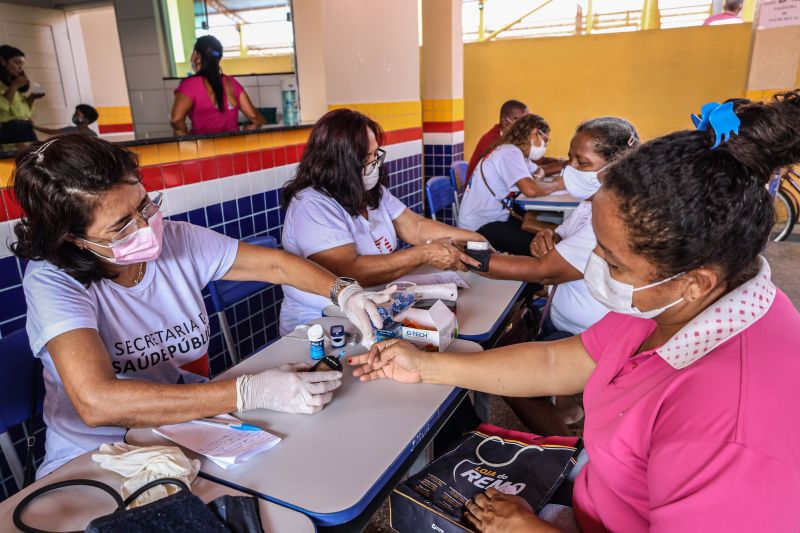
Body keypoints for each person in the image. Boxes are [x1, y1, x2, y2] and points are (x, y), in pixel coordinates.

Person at [350, 92, 800, 531]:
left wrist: (524, 528)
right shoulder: (674, 305)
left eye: (614, 262)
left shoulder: (734, 430)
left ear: (694, 281)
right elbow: (557, 361)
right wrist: (425, 366)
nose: (594, 265)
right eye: (598, 246)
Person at [11, 134, 387, 478]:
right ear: (73, 239)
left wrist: (344, 292)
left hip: (185, 433)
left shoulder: (179, 241)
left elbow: (276, 265)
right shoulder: (53, 280)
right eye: (122, 226)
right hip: (96, 461)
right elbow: (97, 402)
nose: (144, 226)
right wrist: (250, 392)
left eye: (144, 205)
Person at [480, 117, 639, 435]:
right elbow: (556, 238)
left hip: (587, 332)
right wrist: (548, 237)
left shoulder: (609, 217)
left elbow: (545, 271)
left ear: (617, 166)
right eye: (570, 159)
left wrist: (470, 261)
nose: (571, 169)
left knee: (514, 380)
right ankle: (565, 404)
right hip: (566, 320)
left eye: (582, 163)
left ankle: (565, 451)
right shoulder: (590, 204)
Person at [279, 108, 485, 335]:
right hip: (323, 325)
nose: (375, 162)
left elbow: (416, 227)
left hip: (377, 310)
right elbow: (349, 272)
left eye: (376, 153)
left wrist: (472, 236)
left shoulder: (370, 192)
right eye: (367, 157)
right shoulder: (311, 205)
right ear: (340, 162)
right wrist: (424, 254)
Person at [457, 114, 564, 256]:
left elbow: (539, 170)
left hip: (494, 220)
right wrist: (557, 184)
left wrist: (538, 177)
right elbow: (531, 190)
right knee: (542, 247)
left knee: (544, 236)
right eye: (545, 140)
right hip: (479, 228)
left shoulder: (515, 152)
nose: (545, 146)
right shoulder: (509, 152)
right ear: (534, 133)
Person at [170, 36, 265, 136]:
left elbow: (176, 119)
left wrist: (186, 137)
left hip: (203, 144)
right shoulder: (232, 82)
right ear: (219, 58)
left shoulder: (189, 85)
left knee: (177, 132)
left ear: (196, 56)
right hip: (234, 144)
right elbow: (254, 117)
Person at [466, 100, 528, 183]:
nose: (526, 126)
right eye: (522, 122)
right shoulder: (493, 141)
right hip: (479, 189)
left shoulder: (509, 138)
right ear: (506, 122)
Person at [0, 45, 45, 149]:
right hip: (10, 131)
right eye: (17, 63)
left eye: (22, 64)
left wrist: (32, 98)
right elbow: (2, 107)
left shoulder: (14, 86)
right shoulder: (11, 85)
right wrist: (14, 86)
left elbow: (24, 113)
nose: (20, 67)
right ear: (2, 61)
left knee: (38, 155)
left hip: (26, 128)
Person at [34, 104, 99, 137]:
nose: (74, 115)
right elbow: (51, 132)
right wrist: (34, 126)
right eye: (74, 113)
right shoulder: (70, 129)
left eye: (77, 114)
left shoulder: (92, 135)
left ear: (86, 120)